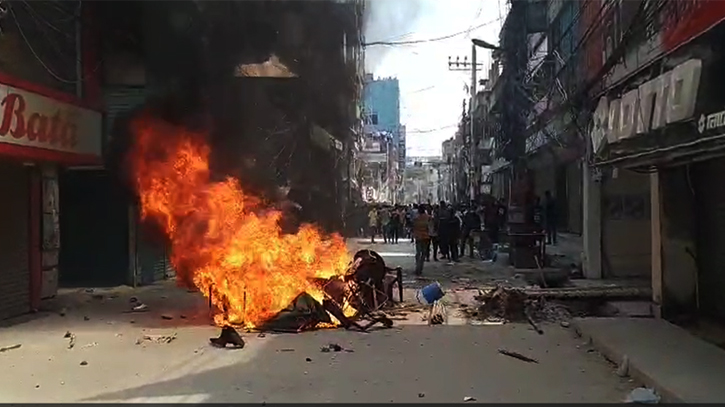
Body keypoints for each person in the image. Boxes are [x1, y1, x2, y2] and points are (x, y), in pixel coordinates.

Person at [412, 205, 431, 276]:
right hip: (426, 237)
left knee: (418, 253)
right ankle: (420, 268)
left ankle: (417, 268)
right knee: (423, 253)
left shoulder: (416, 218)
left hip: (418, 237)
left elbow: (413, 226)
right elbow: (430, 226)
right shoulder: (428, 217)